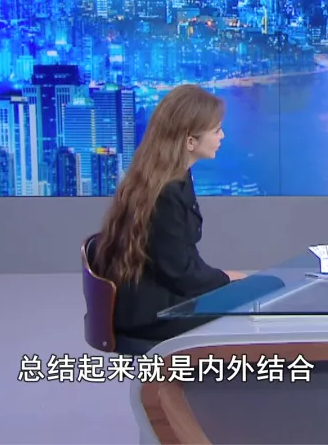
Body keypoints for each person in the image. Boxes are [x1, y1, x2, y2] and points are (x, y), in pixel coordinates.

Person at [89, 84, 249, 344]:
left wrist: (221, 278)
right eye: (216, 130)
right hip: (153, 314)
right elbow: (179, 273)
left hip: (152, 299)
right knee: (264, 290)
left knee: (253, 288)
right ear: (190, 141)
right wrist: (224, 278)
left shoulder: (165, 176)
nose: (222, 136)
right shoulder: (166, 192)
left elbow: (179, 261)